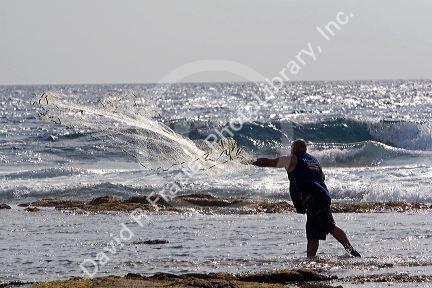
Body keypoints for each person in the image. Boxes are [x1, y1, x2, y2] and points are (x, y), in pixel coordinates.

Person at [251, 139, 361, 258]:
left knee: (330, 226)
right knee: (312, 234)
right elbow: (322, 177)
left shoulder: (293, 158)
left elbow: (270, 162)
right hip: (321, 197)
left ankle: (352, 251)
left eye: (291, 149)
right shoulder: (314, 161)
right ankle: (310, 259)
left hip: (315, 199)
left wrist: (251, 161)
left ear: (293, 149)